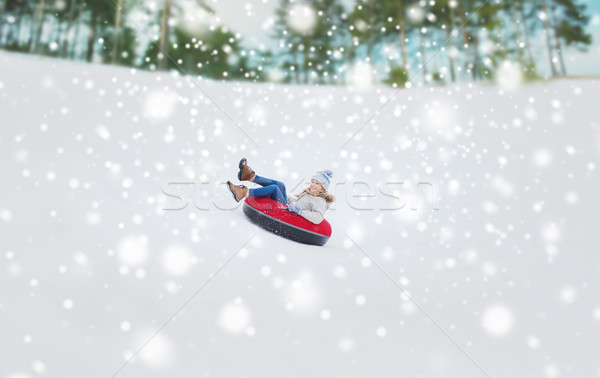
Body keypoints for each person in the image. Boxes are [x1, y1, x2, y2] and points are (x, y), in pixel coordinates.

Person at [227, 158, 335, 224]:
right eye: (313, 181)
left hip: (289, 212)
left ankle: (243, 193)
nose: (313, 185)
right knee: (280, 185)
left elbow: (318, 218)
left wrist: (300, 211)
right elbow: (297, 201)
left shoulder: (320, 200)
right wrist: (287, 196)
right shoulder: (310, 194)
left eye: (317, 183)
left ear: (323, 188)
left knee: (274, 189)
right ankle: (250, 177)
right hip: (289, 206)